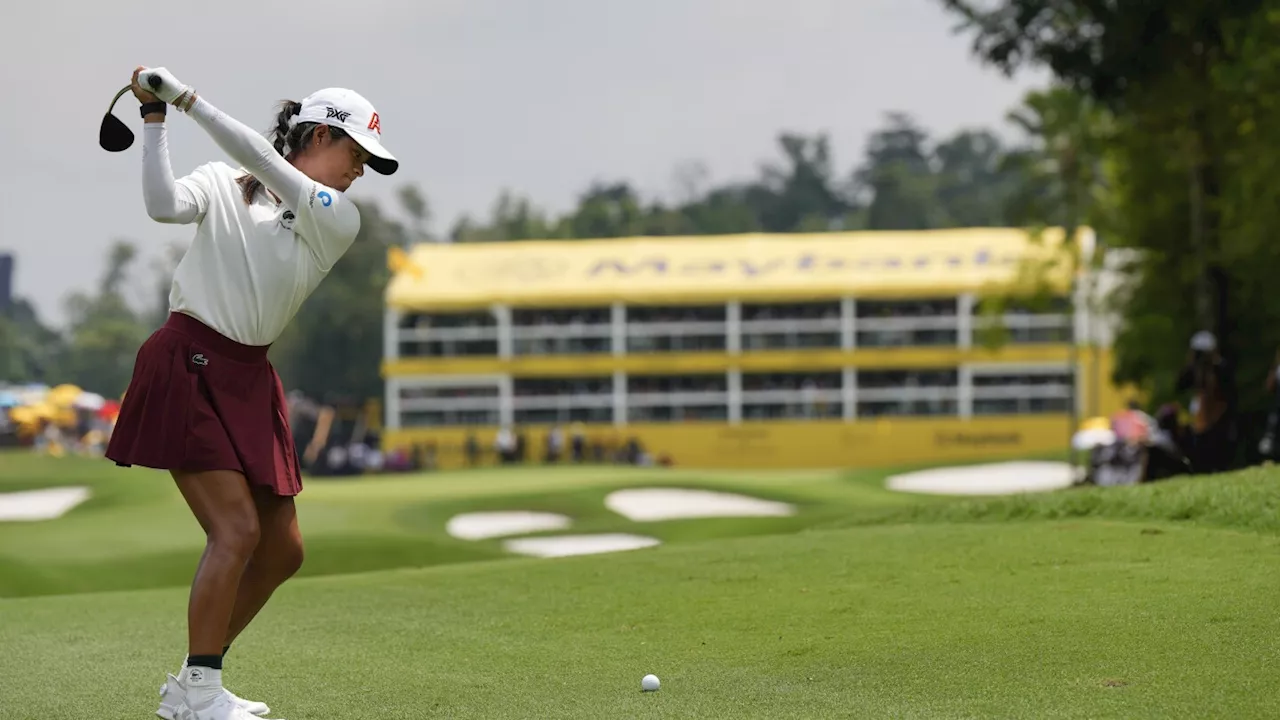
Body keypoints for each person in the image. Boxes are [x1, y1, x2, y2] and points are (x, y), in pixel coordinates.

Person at [104, 66, 398, 720]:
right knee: (235, 531)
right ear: (320, 134)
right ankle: (200, 694)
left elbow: (264, 159)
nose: (360, 173)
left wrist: (185, 99)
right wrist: (156, 121)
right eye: (356, 155)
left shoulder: (338, 218)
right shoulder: (221, 183)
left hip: (248, 376)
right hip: (187, 361)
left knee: (284, 549)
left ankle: (192, 682)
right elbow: (163, 206)